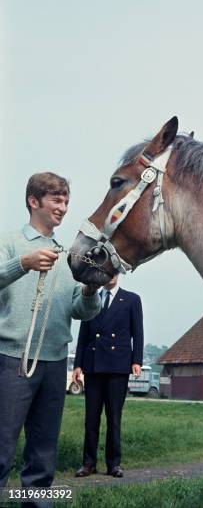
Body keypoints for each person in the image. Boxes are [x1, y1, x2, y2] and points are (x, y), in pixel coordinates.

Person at [0, 172, 101, 498]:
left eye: (66, 201)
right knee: (1, 449)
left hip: (55, 362)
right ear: (34, 201)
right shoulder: (10, 243)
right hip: (13, 360)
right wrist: (24, 264)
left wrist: (89, 290)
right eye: (57, 200)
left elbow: (81, 311)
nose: (63, 208)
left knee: (43, 456)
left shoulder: (70, 255)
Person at [73, 274, 143, 478]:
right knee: (91, 419)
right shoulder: (92, 297)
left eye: (113, 272)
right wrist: (78, 364)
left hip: (117, 367)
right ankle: (88, 463)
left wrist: (136, 360)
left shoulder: (131, 299)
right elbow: (83, 334)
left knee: (114, 418)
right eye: (106, 272)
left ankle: (114, 464)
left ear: (118, 273)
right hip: (93, 366)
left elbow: (137, 332)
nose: (110, 276)